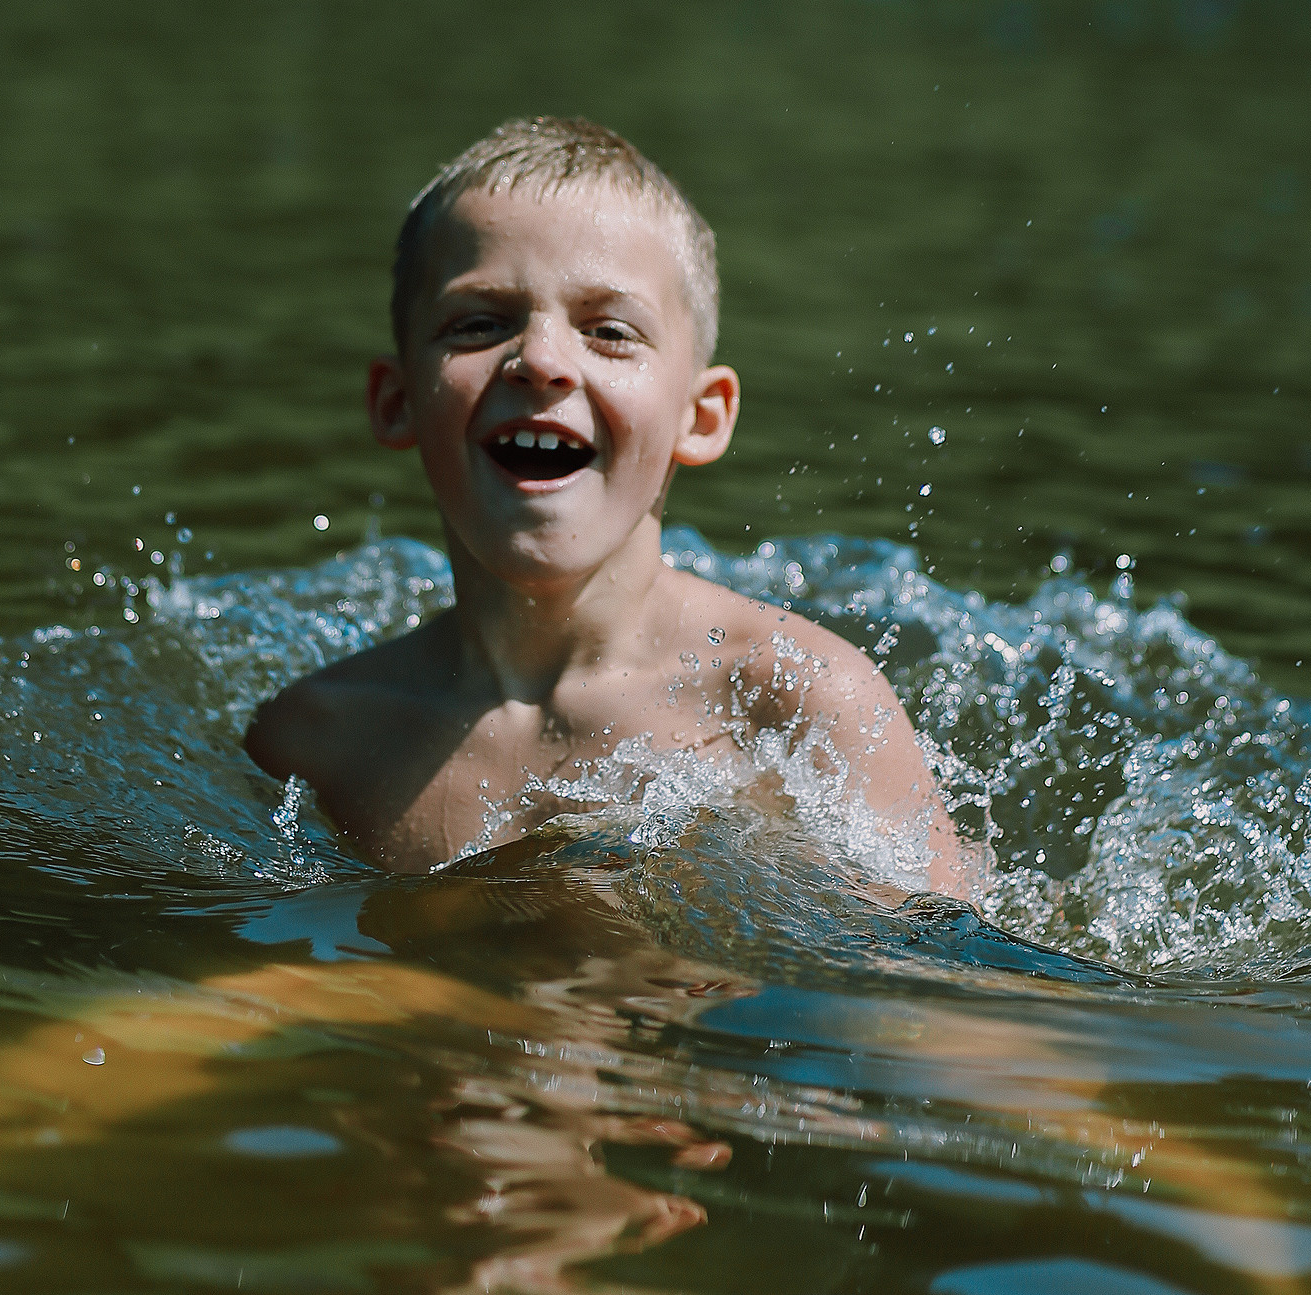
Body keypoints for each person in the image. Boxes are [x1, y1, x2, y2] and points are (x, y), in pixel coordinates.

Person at [243, 116, 983, 893]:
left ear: (702, 416)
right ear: (396, 401)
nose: (540, 360)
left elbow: (937, 996)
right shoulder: (316, 742)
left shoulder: (800, 707)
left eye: (609, 331)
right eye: (480, 323)